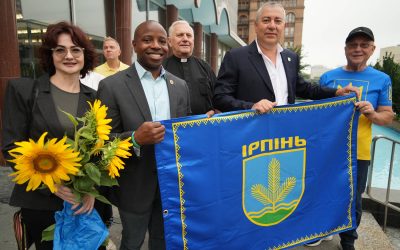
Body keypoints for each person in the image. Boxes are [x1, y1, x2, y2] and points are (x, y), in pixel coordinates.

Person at [1, 21, 104, 250]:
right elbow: (11, 148)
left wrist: (91, 190)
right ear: (50, 55)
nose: (69, 56)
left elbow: (101, 150)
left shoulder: (96, 99)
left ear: (85, 55)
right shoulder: (25, 91)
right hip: (42, 205)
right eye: (60, 50)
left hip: (85, 205)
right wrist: (51, 185)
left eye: (75, 49)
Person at [96, 20, 191, 250]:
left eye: (161, 41)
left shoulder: (180, 86)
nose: (155, 46)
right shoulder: (111, 86)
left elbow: (186, 133)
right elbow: (101, 144)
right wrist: (135, 139)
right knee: (132, 241)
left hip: (171, 184)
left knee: (163, 241)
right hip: (133, 185)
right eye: (147, 40)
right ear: (134, 45)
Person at [317, 27, 394, 250]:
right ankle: (320, 231)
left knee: (353, 199)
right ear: (345, 49)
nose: (357, 49)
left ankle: (348, 239)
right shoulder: (328, 77)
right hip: (327, 150)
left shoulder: (382, 79)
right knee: (322, 191)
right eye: (353, 45)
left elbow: (387, 117)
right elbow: (317, 112)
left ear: (372, 49)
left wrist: (372, 113)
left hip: (358, 152)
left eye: (363, 45)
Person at [213, 2, 359, 113]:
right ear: (256, 26)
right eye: (266, 20)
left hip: (284, 136)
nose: (272, 26)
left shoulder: (291, 58)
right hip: (251, 138)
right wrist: (251, 106)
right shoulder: (236, 57)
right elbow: (220, 98)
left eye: (277, 21)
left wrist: (336, 92)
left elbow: (305, 88)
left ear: (284, 25)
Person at [163, 20, 216, 116]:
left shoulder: (205, 67)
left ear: (193, 41)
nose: (185, 39)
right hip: (173, 128)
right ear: (169, 42)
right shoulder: (161, 68)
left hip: (204, 126)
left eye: (189, 35)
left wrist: (214, 111)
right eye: (180, 35)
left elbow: (218, 97)